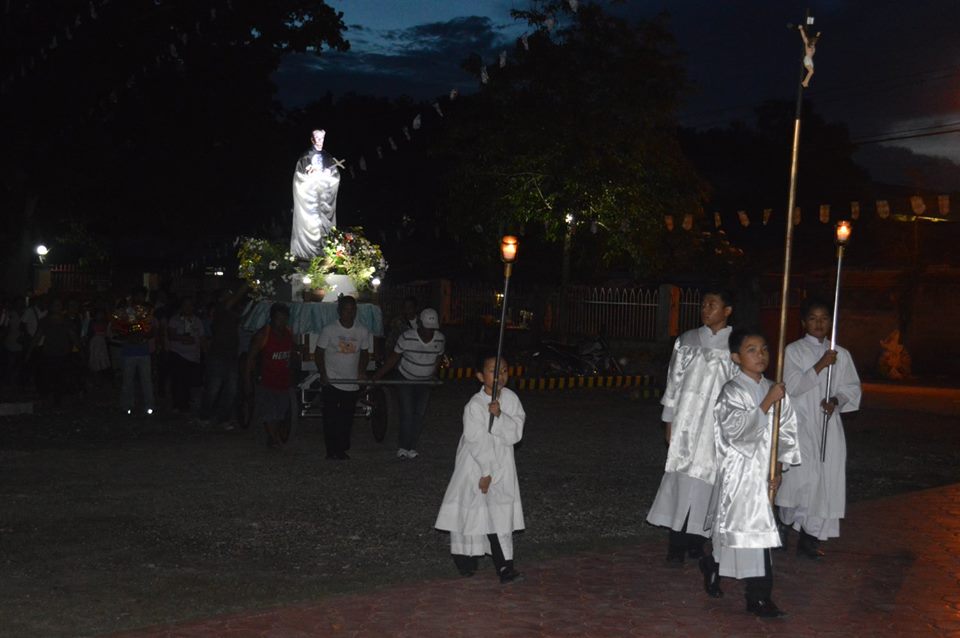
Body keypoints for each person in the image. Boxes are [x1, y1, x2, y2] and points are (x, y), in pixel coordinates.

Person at [702, 327, 801, 617]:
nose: (761, 355)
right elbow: (734, 431)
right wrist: (767, 402)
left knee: (761, 534)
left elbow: (787, 431)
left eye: (764, 349)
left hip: (765, 474)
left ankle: (755, 593)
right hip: (741, 475)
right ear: (735, 357)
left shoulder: (775, 388)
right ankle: (736, 580)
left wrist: (779, 467)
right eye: (752, 350)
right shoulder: (732, 391)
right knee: (743, 532)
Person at [646, 289, 738, 563]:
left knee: (709, 482)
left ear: (727, 310)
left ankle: (697, 540)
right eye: (703, 305)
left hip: (716, 426)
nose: (705, 309)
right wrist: (669, 419)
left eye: (712, 304)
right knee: (682, 480)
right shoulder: (687, 340)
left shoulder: (735, 345)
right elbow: (673, 383)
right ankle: (676, 543)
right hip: (686, 423)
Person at [776, 298, 861, 559]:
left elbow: (851, 388)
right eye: (813, 318)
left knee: (824, 480)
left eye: (824, 318)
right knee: (798, 481)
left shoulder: (841, 354)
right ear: (803, 322)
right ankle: (784, 524)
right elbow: (792, 386)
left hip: (827, 425)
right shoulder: (794, 351)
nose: (819, 323)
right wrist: (820, 364)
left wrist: (835, 401)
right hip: (800, 424)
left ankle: (810, 537)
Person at [435, 353, 525, 584]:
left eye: (504, 370)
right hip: (476, 465)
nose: (500, 376)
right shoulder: (474, 405)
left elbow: (516, 433)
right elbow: (475, 440)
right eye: (493, 371)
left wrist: (500, 416)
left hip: (503, 464)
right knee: (471, 511)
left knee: (499, 514)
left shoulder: (511, 399)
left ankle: (505, 567)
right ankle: (465, 558)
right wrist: (486, 472)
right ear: (480, 376)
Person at [373, 307, 445, 459]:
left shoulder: (440, 338)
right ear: (420, 325)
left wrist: (433, 374)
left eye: (432, 329)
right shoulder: (406, 337)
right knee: (407, 412)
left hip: (424, 382)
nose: (430, 333)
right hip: (405, 378)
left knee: (419, 414)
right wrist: (378, 375)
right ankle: (403, 447)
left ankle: (412, 447)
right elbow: (394, 358)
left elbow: (438, 357)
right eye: (427, 329)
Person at [314, 295, 372, 460]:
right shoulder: (329, 329)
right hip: (332, 380)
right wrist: (323, 373)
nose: (349, 313)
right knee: (331, 417)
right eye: (346, 310)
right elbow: (319, 353)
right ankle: (331, 449)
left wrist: (361, 371)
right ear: (340, 311)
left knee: (346, 417)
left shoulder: (362, 331)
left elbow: (365, 353)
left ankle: (341, 447)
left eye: (352, 310)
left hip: (351, 382)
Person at [246, 303, 297, 447]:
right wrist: (247, 381)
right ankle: (273, 438)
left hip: (283, 381)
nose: (281, 323)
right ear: (272, 318)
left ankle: (273, 436)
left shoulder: (288, 332)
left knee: (280, 412)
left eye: (284, 319)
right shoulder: (263, 334)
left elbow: (291, 351)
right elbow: (250, 358)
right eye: (278, 319)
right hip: (266, 380)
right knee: (269, 411)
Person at [198, 285, 248, 430]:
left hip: (231, 355)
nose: (231, 295)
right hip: (217, 355)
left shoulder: (232, 313)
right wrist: (246, 285)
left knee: (231, 390)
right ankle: (204, 416)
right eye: (228, 293)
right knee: (213, 388)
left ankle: (223, 418)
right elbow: (235, 299)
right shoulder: (220, 310)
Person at [290, 128, 341, 259]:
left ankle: (327, 255)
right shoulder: (305, 156)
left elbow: (335, 175)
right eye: (317, 138)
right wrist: (310, 176)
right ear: (312, 139)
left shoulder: (328, 157)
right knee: (311, 225)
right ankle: (308, 255)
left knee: (325, 229)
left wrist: (329, 175)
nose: (320, 141)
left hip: (324, 199)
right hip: (310, 200)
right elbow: (299, 178)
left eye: (322, 138)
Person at [110, 290, 155, 417]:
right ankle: (126, 405)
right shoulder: (125, 311)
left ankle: (149, 405)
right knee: (127, 380)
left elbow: (151, 330)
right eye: (138, 295)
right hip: (129, 351)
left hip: (143, 351)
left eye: (142, 296)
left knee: (146, 381)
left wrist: (143, 335)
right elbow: (118, 329)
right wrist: (129, 336)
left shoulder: (147, 312)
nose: (139, 298)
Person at [165, 298, 206, 415]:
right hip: (178, 353)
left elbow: (202, 337)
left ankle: (187, 403)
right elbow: (171, 334)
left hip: (193, 356)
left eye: (190, 306)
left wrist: (205, 351)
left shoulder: (197, 321)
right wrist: (182, 338)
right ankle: (177, 404)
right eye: (185, 306)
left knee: (190, 381)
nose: (188, 308)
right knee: (178, 380)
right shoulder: (175, 320)